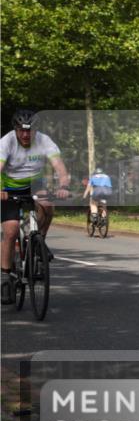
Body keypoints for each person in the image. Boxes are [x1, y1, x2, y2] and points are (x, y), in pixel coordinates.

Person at [1, 110, 71, 304]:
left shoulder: (43, 140)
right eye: (21, 131)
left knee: (48, 205)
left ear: (35, 130)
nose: (25, 135)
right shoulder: (6, 142)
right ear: (15, 130)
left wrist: (64, 185)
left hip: (34, 185)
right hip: (8, 187)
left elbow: (59, 166)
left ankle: (39, 243)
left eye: (29, 131)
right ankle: (6, 278)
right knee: (11, 230)